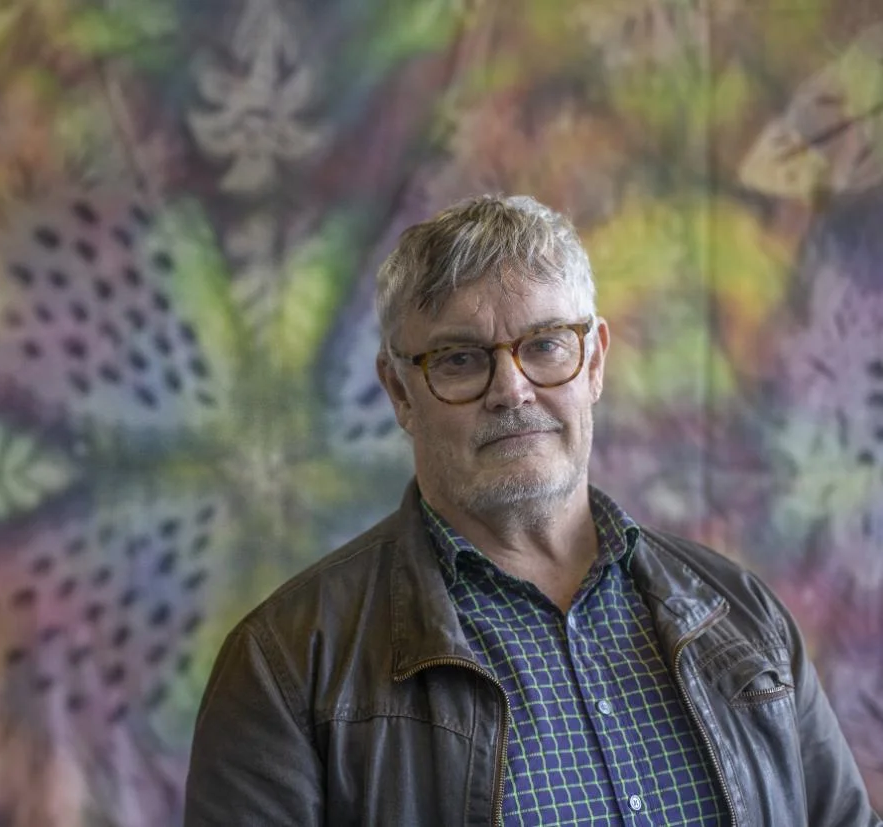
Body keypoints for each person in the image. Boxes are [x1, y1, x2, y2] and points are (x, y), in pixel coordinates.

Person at [182, 194, 882, 826]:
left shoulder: (741, 613)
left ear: (596, 361)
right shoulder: (286, 666)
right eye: (460, 359)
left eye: (546, 345)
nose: (511, 390)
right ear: (398, 391)